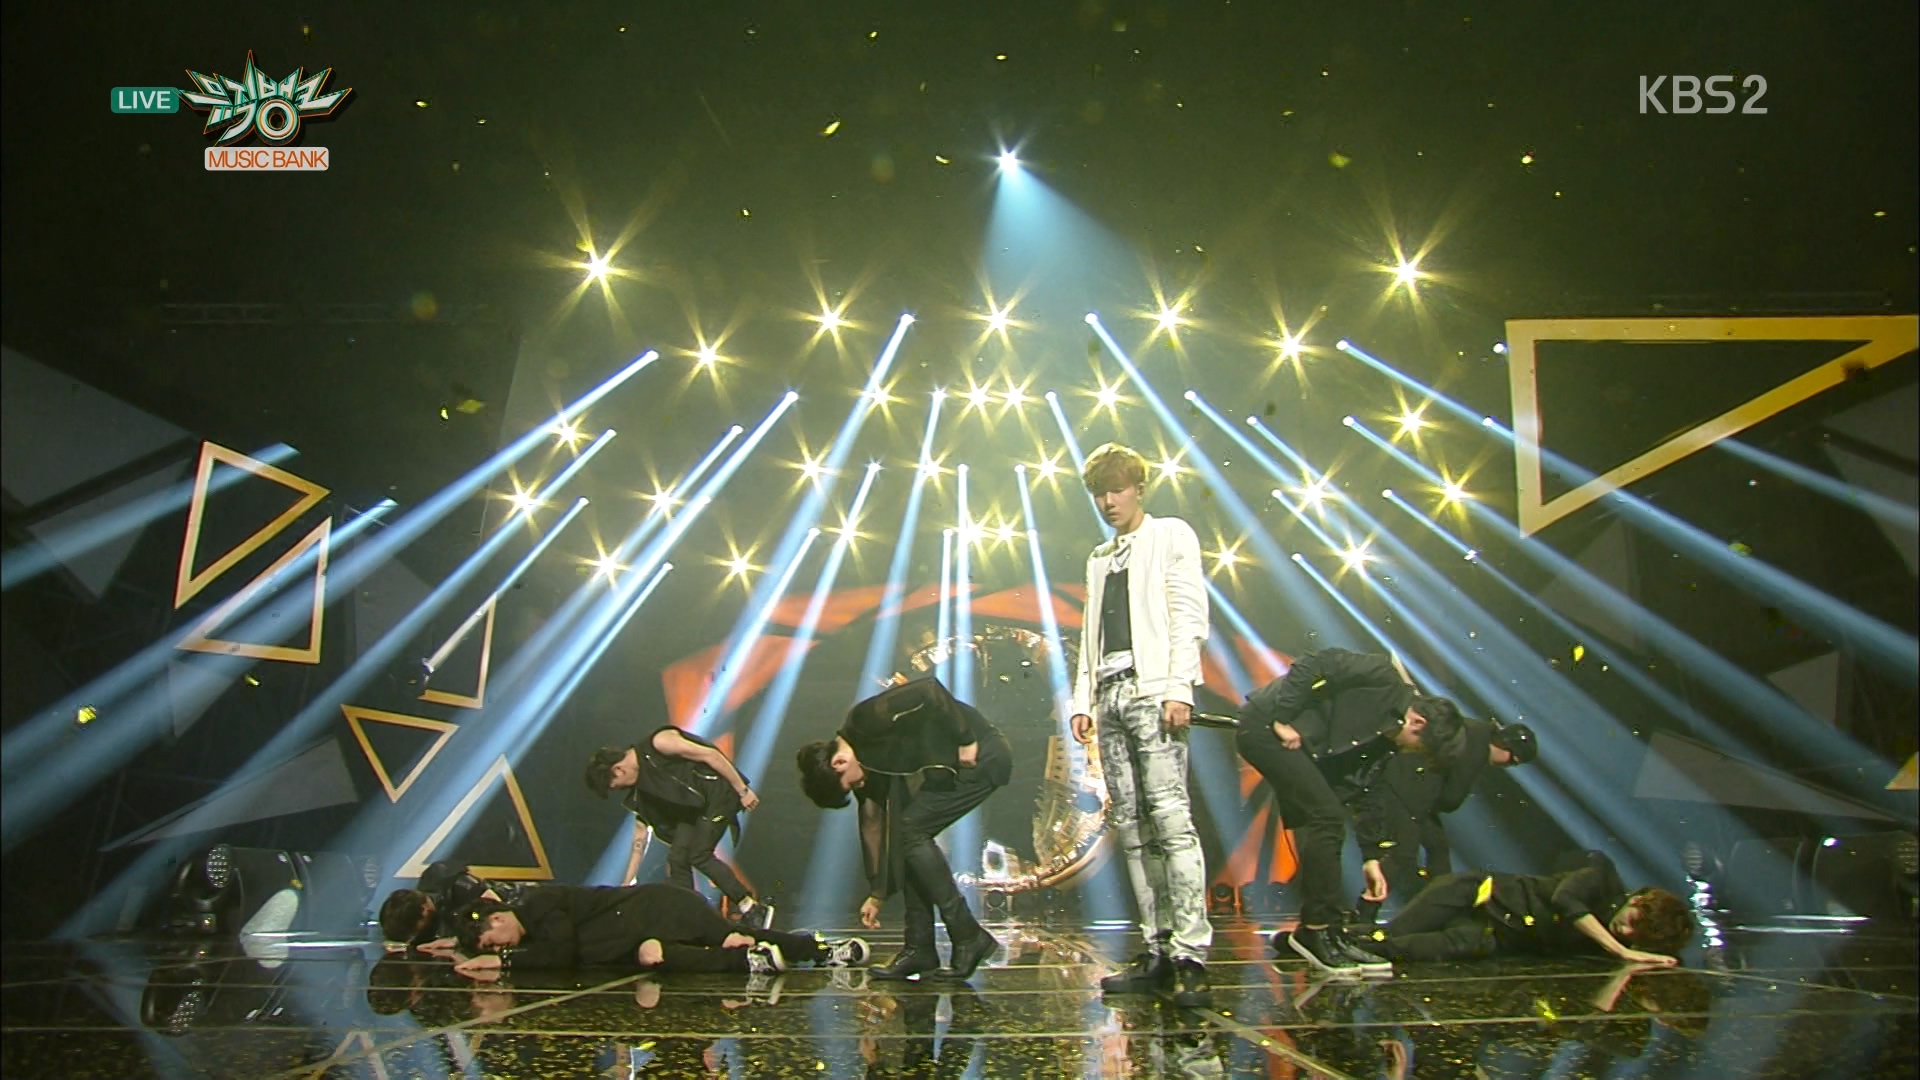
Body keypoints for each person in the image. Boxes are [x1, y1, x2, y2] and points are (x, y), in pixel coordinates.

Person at [1066, 442, 1214, 1008]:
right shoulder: (1100, 557)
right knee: (1130, 826)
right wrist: (1083, 699)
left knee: (1172, 821)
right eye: (1099, 493)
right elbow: (1091, 634)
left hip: (1154, 691)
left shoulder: (1170, 534)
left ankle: (1190, 954)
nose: (1108, 501)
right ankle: (1157, 948)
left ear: (1138, 489)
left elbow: (1188, 615)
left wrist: (1180, 688)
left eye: (1117, 489)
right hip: (1109, 695)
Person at [1234, 647, 1468, 976]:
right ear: (1418, 722)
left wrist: (1371, 858)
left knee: (1329, 818)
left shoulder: (1385, 742)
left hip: (1300, 747)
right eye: (1421, 748)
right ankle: (1316, 929)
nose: (1413, 754)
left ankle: (1327, 929)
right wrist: (1283, 717)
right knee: (1327, 817)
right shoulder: (1381, 676)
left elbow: (1365, 791)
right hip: (1265, 727)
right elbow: (1316, 661)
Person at [795, 675, 1011, 981]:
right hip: (956, 769)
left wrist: (966, 740)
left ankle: (967, 935)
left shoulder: (863, 720)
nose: (857, 787)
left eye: (849, 786)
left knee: (910, 832)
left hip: (981, 754)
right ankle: (919, 949)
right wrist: (878, 892)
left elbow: (928, 689)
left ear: (839, 763)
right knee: (907, 840)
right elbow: (872, 822)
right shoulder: (864, 767)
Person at [449, 881, 869, 978]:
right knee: (655, 955)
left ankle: (820, 950)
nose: (497, 947)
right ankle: (748, 960)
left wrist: (501, 961)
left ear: (498, 919)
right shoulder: (532, 923)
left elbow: (560, 953)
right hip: (638, 935)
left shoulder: (538, 905)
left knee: (725, 933)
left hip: (657, 910)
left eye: (492, 941)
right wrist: (454, 943)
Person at [1353, 850, 1696, 966]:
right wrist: (1620, 949)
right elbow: (1565, 900)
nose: (1626, 930)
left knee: (1397, 949)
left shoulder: (1610, 940)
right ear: (1637, 901)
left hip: (1489, 933)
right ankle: (1343, 938)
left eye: (1637, 934)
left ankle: (1354, 949)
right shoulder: (1602, 878)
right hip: (1473, 894)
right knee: (1391, 932)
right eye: (1633, 920)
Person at [584, 724, 773, 930]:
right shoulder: (642, 787)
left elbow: (710, 755)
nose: (621, 790)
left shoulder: (660, 743)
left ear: (618, 770)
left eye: (616, 786)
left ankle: (751, 908)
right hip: (693, 811)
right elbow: (640, 836)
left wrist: (742, 790)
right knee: (677, 858)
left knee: (699, 854)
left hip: (718, 794)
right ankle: (689, 918)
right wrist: (627, 881)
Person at [1362, 718, 1538, 922]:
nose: (1507, 765)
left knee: (1438, 848)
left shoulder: (1474, 729)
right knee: (1402, 856)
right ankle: (1364, 912)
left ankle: (1438, 910)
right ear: (1505, 745)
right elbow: (1451, 799)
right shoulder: (1477, 749)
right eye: (1512, 761)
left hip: (1410, 789)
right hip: (1403, 792)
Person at [378, 860, 535, 951]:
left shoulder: (457, 887)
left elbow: (499, 912)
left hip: (522, 904)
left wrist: (458, 939)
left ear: (424, 911)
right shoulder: (428, 916)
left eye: (413, 930)